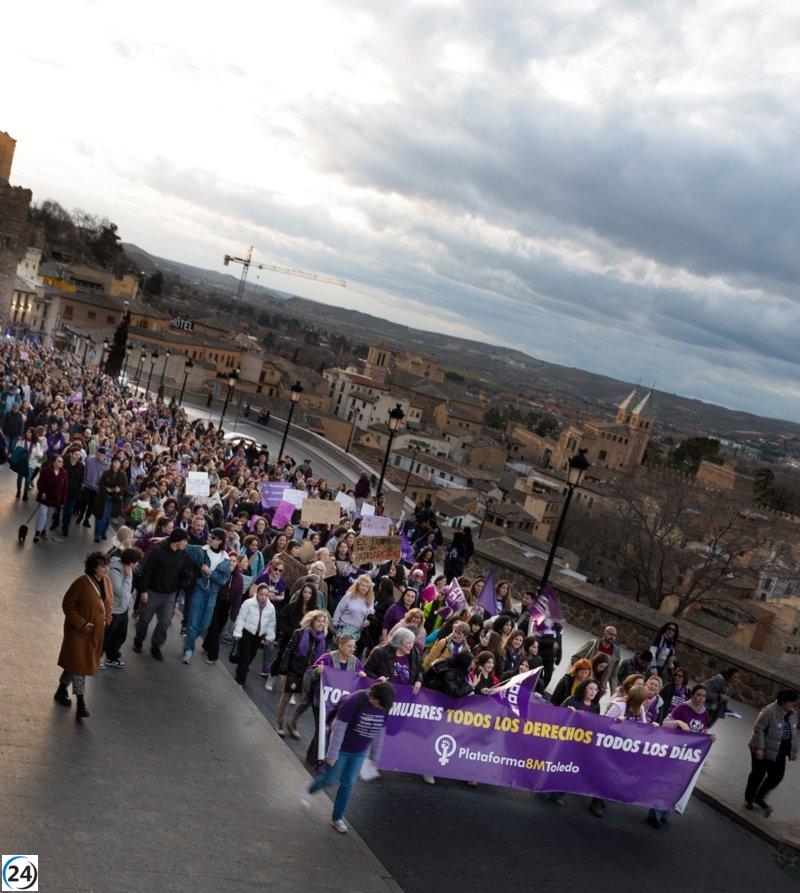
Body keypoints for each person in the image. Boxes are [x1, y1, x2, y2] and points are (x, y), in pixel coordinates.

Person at [303, 681, 395, 834]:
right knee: (331, 779)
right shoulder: (355, 700)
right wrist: (332, 753)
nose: (379, 708)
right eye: (378, 704)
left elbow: (380, 732)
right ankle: (310, 789)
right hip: (341, 749)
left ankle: (337, 817)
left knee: (349, 783)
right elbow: (338, 729)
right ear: (373, 696)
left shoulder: (384, 707)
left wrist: (374, 756)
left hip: (360, 751)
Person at [54, 552, 113, 720]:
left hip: (95, 634)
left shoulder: (107, 582)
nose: (107, 569)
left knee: (75, 665)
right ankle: (81, 703)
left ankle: (60, 690)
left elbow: (109, 602)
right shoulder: (81, 583)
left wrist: (108, 619)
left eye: (107, 566)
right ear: (94, 567)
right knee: (80, 666)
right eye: (103, 566)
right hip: (79, 633)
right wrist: (81, 623)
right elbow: (67, 604)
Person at [651, 684, 716, 828]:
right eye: (698, 695)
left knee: (678, 784)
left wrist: (709, 737)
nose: (701, 698)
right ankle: (655, 814)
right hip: (676, 751)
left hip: (689, 755)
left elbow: (702, 730)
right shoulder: (682, 708)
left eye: (704, 696)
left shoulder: (705, 713)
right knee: (666, 782)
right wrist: (678, 722)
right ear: (692, 695)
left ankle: (666, 811)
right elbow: (665, 723)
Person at [305, 633, 366, 766]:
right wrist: (317, 672)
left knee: (327, 730)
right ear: (340, 645)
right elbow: (310, 674)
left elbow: (361, 681)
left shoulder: (356, 662)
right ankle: (318, 760)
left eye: (354, 647)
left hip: (340, 704)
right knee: (320, 729)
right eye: (349, 646)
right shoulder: (327, 658)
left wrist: (362, 675)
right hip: (321, 701)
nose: (352, 649)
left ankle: (312, 754)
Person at [134, 529, 191, 660]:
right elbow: (146, 572)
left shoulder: (183, 553)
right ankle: (138, 640)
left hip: (170, 594)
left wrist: (185, 578)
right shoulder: (157, 552)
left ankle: (156, 647)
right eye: (184, 541)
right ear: (177, 541)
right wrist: (143, 591)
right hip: (152, 592)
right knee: (144, 620)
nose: (186, 543)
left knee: (165, 622)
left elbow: (184, 570)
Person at [744, 689, 798, 817]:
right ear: (783, 701)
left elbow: (794, 734)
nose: (793, 705)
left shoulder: (793, 714)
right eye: (791, 703)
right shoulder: (770, 711)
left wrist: (795, 751)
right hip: (762, 750)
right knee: (758, 775)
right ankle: (749, 799)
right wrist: (760, 748)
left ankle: (759, 797)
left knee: (777, 777)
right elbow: (759, 729)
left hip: (779, 752)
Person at [182, 528, 232, 664]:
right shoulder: (201, 550)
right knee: (193, 622)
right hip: (199, 590)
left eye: (213, 537)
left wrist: (210, 573)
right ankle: (189, 650)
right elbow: (185, 546)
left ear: (220, 541)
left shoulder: (226, 559)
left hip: (213, 594)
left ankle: (189, 639)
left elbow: (224, 579)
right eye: (210, 535)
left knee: (205, 624)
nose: (210, 538)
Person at [276, 610, 330, 738]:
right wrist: (283, 672)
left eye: (323, 621)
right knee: (286, 698)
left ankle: (293, 723)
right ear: (311, 621)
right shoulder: (299, 633)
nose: (321, 624)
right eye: (319, 621)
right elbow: (287, 653)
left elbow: (323, 659)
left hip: (310, 675)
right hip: (294, 671)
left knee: (305, 703)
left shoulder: (322, 640)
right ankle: (279, 723)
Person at [549, 678, 601, 806]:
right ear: (584, 689)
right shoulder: (571, 700)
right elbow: (558, 714)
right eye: (590, 688)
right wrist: (568, 712)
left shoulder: (596, 706)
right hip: (565, 739)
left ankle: (559, 794)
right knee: (556, 764)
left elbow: (595, 723)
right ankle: (546, 784)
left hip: (580, 743)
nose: (593, 691)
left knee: (568, 768)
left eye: (595, 689)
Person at [102, 547, 143, 669]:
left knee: (120, 635)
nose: (138, 565)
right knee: (107, 635)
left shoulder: (126, 569)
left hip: (122, 610)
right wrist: (129, 577)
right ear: (130, 562)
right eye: (136, 562)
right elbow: (121, 591)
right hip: (113, 611)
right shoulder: (115, 571)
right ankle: (97, 656)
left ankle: (112, 656)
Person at [233, 583, 277, 686]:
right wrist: (238, 632)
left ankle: (241, 669)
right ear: (257, 593)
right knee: (245, 656)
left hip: (258, 635)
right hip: (247, 632)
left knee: (250, 656)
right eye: (261, 594)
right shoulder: (248, 603)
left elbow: (271, 623)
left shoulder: (270, 608)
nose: (264, 597)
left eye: (266, 595)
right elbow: (241, 618)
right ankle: (240, 679)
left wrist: (269, 638)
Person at [364, 627, 423, 692]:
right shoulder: (380, 652)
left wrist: (418, 680)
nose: (411, 646)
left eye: (412, 643)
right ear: (398, 641)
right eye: (408, 643)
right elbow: (366, 670)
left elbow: (419, 670)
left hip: (404, 695)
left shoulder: (415, 653)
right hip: (383, 693)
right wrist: (378, 678)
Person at [571, 626, 620, 695]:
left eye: (614, 635)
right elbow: (575, 657)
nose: (612, 637)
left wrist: (613, 694)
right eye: (610, 634)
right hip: (582, 680)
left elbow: (614, 676)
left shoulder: (616, 653)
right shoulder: (592, 644)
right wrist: (578, 673)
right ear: (604, 633)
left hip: (598, 687)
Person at [33, 454, 68, 543]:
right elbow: (40, 483)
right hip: (45, 497)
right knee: (42, 514)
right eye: (59, 461)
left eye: (62, 461)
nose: (61, 463)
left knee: (49, 515)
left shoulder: (64, 473)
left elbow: (65, 488)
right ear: (53, 462)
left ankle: (43, 531)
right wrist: (43, 491)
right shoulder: (46, 471)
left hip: (55, 499)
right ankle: (37, 533)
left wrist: (62, 501)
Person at [331, 574, 375, 641]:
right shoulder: (349, 596)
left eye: (367, 586)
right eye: (362, 585)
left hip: (357, 633)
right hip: (343, 629)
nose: (364, 588)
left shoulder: (369, 600)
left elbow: (371, 614)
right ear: (357, 585)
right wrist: (334, 624)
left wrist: (368, 621)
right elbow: (339, 609)